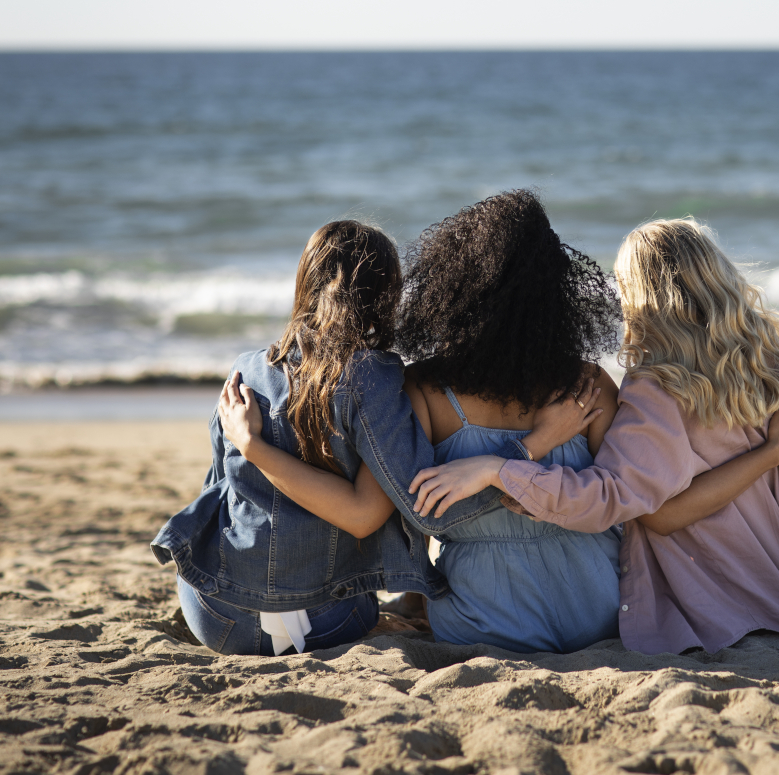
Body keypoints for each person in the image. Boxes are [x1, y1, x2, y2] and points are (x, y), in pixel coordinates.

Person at [409, 218, 779, 655]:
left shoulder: (655, 389)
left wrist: (503, 469)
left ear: (640, 298)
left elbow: (632, 504)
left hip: (707, 610)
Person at [150, 220, 525, 656]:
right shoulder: (373, 377)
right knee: (396, 471)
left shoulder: (244, 369)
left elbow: (218, 488)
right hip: (329, 623)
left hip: (217, 615)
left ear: (305, 282)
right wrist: (516, 470)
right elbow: (405, 506)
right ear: (384, 298)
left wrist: (253, 447)